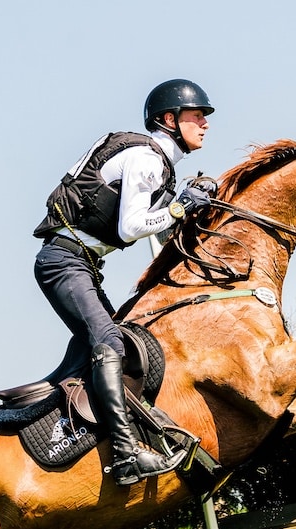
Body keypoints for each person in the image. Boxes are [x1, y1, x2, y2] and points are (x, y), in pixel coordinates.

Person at [32, 78, 216, 487]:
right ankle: (127, 452)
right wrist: (178, 209)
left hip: (79, 264)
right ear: (170, 119)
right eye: (197, 115)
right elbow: (132, 226)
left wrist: (188, 210)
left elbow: (161, 229)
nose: (205, 123)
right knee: (110, 344)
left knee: (105, 346)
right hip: (63, 263)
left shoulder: (158, 163)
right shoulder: (147, 159)